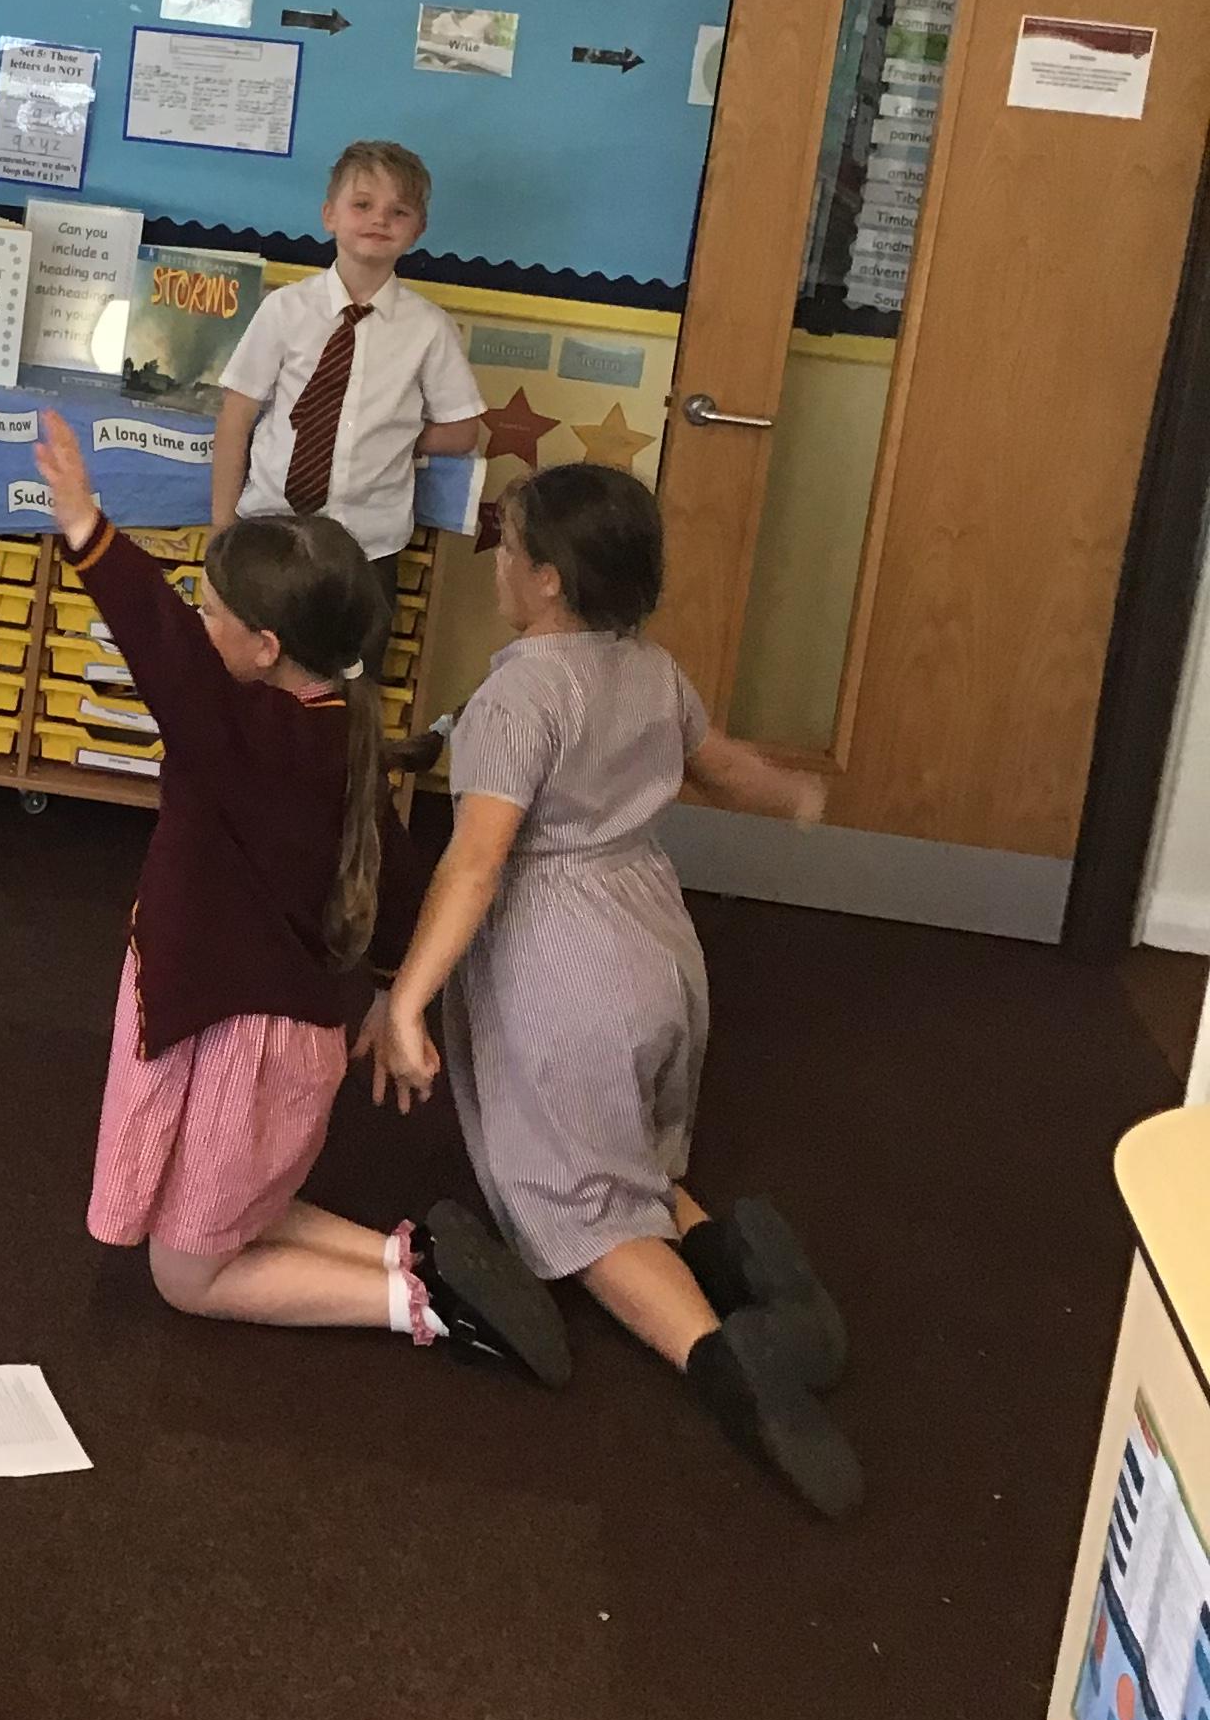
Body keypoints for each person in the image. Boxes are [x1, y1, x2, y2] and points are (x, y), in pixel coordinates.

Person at [355, 461, 862, 1517]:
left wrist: (406, 998)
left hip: (563, 962)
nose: (498, 564)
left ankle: (725, 1365)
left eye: (508, 549)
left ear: (547, 579)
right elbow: (720, 765)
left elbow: (477, 865)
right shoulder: (651, 670)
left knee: (580, 1198)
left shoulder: (522, 696)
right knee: (628, 1142)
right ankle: (739, 1262)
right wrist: (797, 795)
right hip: (658, 943)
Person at [32, 406, 569, 1381]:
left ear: (266, 646)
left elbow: (163, 650)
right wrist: (392, 994)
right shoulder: (336, 726)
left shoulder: (245, 738)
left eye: (213, 614)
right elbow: (397, 879)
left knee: (185, 1275)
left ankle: (425, 1307)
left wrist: (87, 529)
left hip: (242, 1036)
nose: (198, 624)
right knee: (217, 1200)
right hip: (252, 1027)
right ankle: (410, 1257)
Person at [210, 138, 482, 671]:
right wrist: (221, 533)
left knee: (352, 682)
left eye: (399, 211)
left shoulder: (429, 329)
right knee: (252, 674)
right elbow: (236, 418)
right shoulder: (285, 310)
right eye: (362, 204)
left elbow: (463, 430)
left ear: (418, 229)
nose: (380, 219)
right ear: (329, 214)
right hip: (267, 532)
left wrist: (398, 435)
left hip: (366, 548)